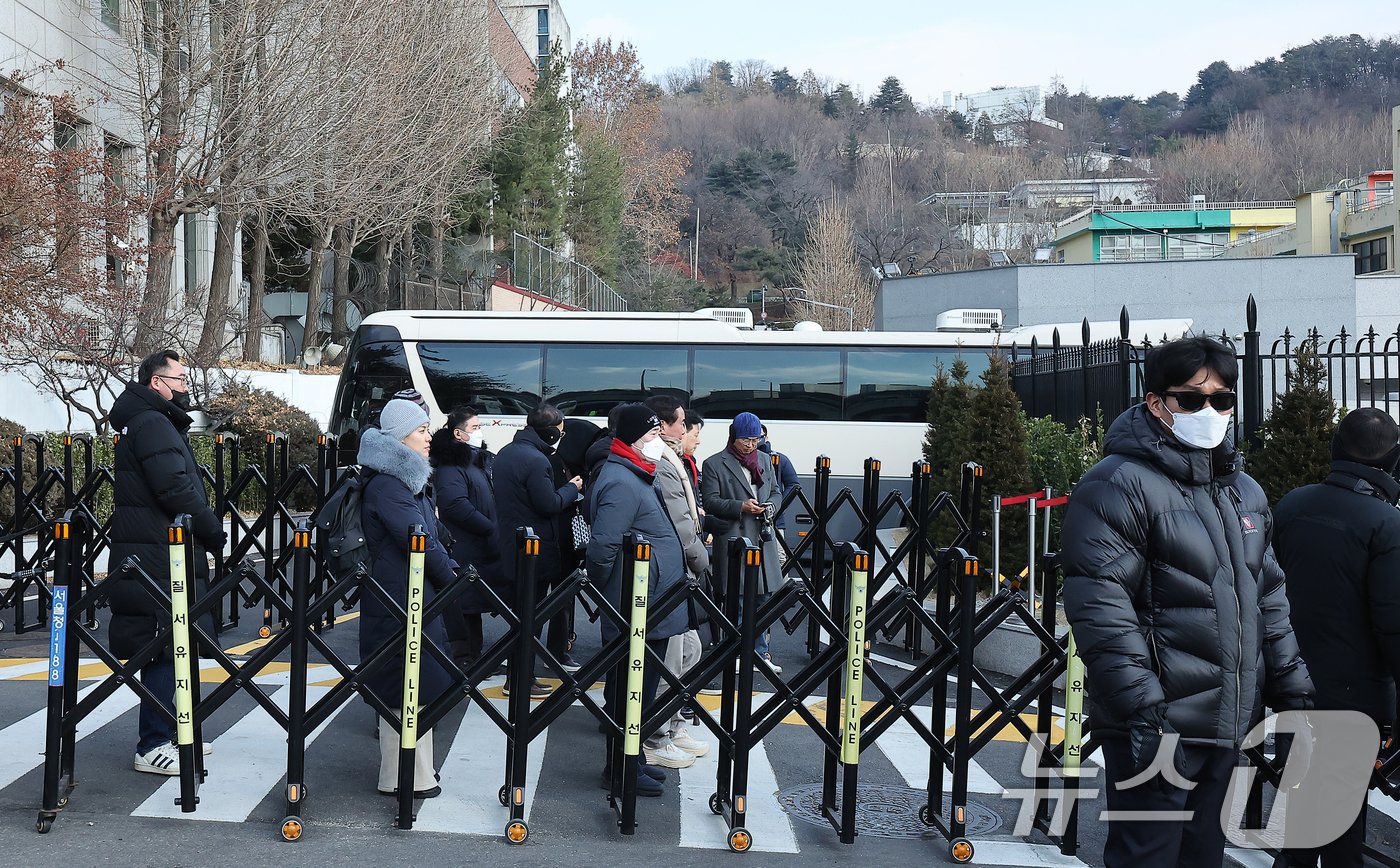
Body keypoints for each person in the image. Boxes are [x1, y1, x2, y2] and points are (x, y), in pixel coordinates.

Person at [1060, 336, 1313, 868]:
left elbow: (1268, 591)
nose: (1211, 411)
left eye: (1222, 400)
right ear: (1157, 403)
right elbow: (1102, 609)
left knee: (1202, 856)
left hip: (1228, 719)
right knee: (1147, 858)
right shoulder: (1116, 484)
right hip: (1157, 722)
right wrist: (1145, 712)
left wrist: (1293, 688)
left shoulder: (1243, 489)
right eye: (1192, 399)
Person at [1272, 407, 1400, 867]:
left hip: (1294, 680)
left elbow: (1271, 590)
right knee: (1345, 821)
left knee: (1301, 806)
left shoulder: (1292, 504)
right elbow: (1392, 622)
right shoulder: (1385, 524)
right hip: (1357, 693)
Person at [109, 350, 226, 776]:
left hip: (160, 548)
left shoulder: (151, 421)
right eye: (179, 379)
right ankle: (153, 743)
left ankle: (179, 731)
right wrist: (211, 531)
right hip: (159, 552)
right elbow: (175, 487)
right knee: (162, 643)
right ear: (157, 383)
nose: (185, 386)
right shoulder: (154, 423)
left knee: (177, 643)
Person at [586, 403, 690, 796]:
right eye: (649, 436)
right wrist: (605, 592)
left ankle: (632, 760)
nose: (656, 442)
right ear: (632, 438)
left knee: (638, 689)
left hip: (650, 601)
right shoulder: (620, 480)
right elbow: (602, 548)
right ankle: (622, 768)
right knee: (632, 689)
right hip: (636, 603)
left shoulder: (632, 473)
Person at [358, 397, 458, 798]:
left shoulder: (403, 478)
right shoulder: (389, 483)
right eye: (421, 430)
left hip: (408, 591)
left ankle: (414, 774)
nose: (428, 436)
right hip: (399, 594)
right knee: (405, 681)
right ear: (400, 437)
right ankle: (405, 778)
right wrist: (450, 575)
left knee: (414, 681)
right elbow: (418, 539)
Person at [493, 403, 583, 697]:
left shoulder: (507, 452)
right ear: (548, 432)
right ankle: (522, 680)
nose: (562, 435)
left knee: (521, 615)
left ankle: (517, 677)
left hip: (511, 543)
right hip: (535, 548)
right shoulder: (537, 460)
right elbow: (549, 504)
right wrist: (571, 488)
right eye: (560, 431)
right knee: (530, 618)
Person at [644, 395, 711, 765]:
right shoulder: (663, 464)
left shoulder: (674, 460)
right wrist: (702, 558)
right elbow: (680, 525)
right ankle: (656, 734)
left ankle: (669, 724)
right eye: (682, 423)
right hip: (670, 572)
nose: (688, 431)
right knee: (673, 654)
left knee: (689, 649)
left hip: (676, 571)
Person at [701, 411, 787, 675]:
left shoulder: (763, 459)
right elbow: (711, 501)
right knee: (737, 599)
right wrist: (741, 506)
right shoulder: (714, 463)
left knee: (763, 599)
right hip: (735, 539)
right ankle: (738, 651)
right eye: (746, 440)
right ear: (733, 437)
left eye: (756, 439)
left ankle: (759, 653)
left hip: (763, 536)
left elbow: (776, 490)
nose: (752, 444)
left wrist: (770, 505)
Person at [428, 406, 499, 669]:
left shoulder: (474, 459)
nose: (480, 432)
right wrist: (488, 526)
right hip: (464, 544)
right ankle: (464, 659)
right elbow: (455, 504)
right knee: (464, 603)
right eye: (475, 428)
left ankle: (474, 656)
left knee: (472, 604)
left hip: (477, 544)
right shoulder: (452, 465)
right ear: (459, 434)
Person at [757, 424, 801, 548]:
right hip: (752, 515)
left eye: (760, 436)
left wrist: (778, 503)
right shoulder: (743, 458)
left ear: (766, 437)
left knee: (779, 555)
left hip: (776, 519)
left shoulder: (779, 459)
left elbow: (793, 484)